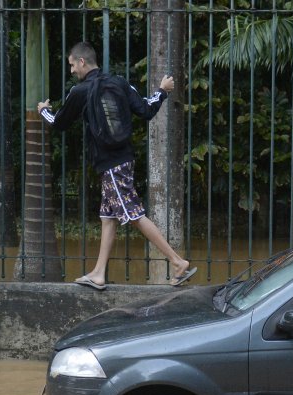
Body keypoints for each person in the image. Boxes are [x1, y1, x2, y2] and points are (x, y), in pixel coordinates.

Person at [36, 41, 195, 291]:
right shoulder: (120, 82)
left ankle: (177, 262)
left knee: (134, 215)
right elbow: (145, 109)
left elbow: (58, 123)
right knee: (108, 217)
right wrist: (162, 91)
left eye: (71, 65)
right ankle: (99, 273)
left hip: (110, 164)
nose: (71, 71)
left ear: (81, 62)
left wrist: (43, 110)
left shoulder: (79, 91)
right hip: (125, 158)